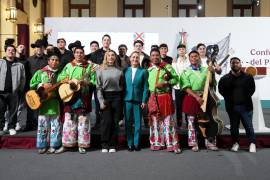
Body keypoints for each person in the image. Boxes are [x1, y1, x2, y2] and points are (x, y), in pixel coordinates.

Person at [57, 46, 95, 154]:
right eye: (77, 52)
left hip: (83, 97)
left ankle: (82, 144)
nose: (79, 54)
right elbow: (60, 77)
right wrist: (68, 81)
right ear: (74, 54)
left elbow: (94, 80)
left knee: (83, 122)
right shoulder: (68, 66)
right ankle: (66, 144)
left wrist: (86, 82)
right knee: (68, 122)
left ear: (83, 54)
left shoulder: (88, 66)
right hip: (70, 96)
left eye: (81, 53)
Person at [180, 50, 218, 152]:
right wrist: (196, 97)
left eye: (196, 56)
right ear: (189, 59)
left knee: (207, 120)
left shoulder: (206, 70)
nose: (194, 58)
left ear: (199, 58)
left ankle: (209, 142)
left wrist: (212, 73)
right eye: (191, 57)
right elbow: (185, 87)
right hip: (192, 97)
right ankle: (193, 142)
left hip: (205, 97)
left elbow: (211, 83)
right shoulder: (185, 71)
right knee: (191, 121)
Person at [218, 57, 256, 153]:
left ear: (240, 64)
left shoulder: (248, 77)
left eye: (237, 62)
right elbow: (221, 91)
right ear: (230, 65)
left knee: (249, 126)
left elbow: (252, 89)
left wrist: (243, 98)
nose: (235, 64)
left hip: (246, 107)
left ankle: (252, 143)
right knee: (234, 127)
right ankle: (236, 143)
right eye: (232, 63)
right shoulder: (224, 79)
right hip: (232, 107)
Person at [147, 48, 181, 154]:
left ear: (160, 56)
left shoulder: (167, 67)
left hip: (165, 97)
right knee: (155, 122)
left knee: (168, 121)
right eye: (153, 55)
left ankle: (171, 144)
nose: (155, 57)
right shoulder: (148, 70)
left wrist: (165, 84)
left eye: (157, 55)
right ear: (150, 57)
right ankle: (157, 143)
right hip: (153, 98)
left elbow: (176, 79)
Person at [29, 51, 62, 154]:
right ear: (48, 61)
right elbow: (32, 84)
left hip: (55, 102)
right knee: (42, 125)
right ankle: (42, 145)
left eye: (56, 60)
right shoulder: (41, 72)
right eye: (52, 59)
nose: (54, 62)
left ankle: (54, 145)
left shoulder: (61, 73)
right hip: (43, 103)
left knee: (55, 125)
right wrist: (41, 85)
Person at [96, 50, 124, 153]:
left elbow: (121, 86)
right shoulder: (100, 70)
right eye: (109, 56)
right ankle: (104, 144)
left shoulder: (120, 70)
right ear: (106, 57)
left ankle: (112, 144)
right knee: (106, 122)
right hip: (105, 97)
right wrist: (101, 101)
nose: (111, 57)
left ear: (115, 57)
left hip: (117, 97)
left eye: (113, 55)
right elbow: (98, 87)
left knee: (115, 122)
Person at [123, 51, 148, 151]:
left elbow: (146, 87)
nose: (135, 59)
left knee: (138, 123)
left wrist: (143, 101)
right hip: (127, 99)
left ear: (139, 59)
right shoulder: (125, 70)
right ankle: (130, 143)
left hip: (138, 100)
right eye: (133, 57)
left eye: (137, 57)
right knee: (128, 122)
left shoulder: (143, 71)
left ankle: (136, 143)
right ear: (130, 58)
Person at [0, 44, 25, 136]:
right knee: (0, 111)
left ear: (15, 52)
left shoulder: (20, 65)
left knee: (13, 112)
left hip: (14, 92)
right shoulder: (1, 62)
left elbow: (23, 79)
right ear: (5, 52)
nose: (11, 51)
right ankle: (1, 128)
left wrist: (19, 90)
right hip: (1, 92)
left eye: (12, 50)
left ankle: (11, 127)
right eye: (9, 50)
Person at [90, 34, 112, 130]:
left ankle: (108, 123)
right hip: (98, 82)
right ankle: (98, 122)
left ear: (110, 42)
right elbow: (90, 65)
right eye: (104, 40)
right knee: (99, 103)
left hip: (109, 83)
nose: (106, 41)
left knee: (108, 104)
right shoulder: (96, 53)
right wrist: (97, 66)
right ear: (102, 42)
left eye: (108, 40)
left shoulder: (113, 53)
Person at [172, 44, 189, 127]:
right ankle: (179, 123)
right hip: (178, 87)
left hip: (187, 87)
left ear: (185, 50)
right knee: (178, 106)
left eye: (183, 49)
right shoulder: (175, 61)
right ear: (178, 51)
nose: (182, 51)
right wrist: (174, 64)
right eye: (180, 49)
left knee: (187, 105)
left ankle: (188, 122)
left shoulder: (189, 61)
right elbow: (174, 74)